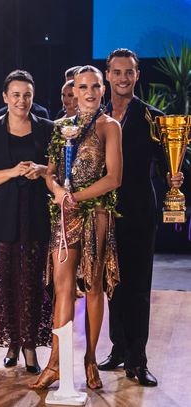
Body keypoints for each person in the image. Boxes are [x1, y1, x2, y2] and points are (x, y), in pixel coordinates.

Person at [31, 65, 123, 390]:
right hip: (64, 216)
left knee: (94, 287)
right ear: (73, 91)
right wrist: (57, 191)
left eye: (95, 86)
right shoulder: (61, 127)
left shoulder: (109, 126)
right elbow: (50, 173)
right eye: (82, 87)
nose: (89, 92)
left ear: (103, 89)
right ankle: (55, 363)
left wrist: (76, 197)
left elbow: (114, 178)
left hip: (96, 215)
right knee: (63, 290)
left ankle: (90, 360)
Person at [97, 48, 184, 386]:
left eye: (129, 72)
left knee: (137, 287)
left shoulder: (153, 117)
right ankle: (118, 348)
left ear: (137, 75)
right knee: (112, 285)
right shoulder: (97, 115)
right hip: (102, 214)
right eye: (117, 72)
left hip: (138, 214)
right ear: (108, 75)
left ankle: (138, 358)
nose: (123, 78)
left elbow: (167, 165)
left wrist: (174, 177)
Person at [0, 70, 53, 374]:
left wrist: (41, 169)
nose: (21, 100)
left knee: (33, 282)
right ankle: (12, 342)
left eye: (27, 95)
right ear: (5, 97)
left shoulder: (48, 129)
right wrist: (13, 171)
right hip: (3, 218)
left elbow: (58, 170)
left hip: (35, 216)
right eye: (16, 95)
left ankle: (30, 346)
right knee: (6, 282)